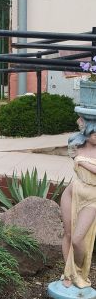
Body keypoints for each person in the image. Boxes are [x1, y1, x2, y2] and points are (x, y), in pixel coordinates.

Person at [60, 115, 96, 289]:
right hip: (72, 192)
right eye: (93, 132)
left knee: (77, 239)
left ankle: (78, 271)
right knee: (68, 234)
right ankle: (68, 273)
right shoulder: (76, 146)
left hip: (92, 198)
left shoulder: (79, 155)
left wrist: (81, 161)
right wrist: (78, 159)